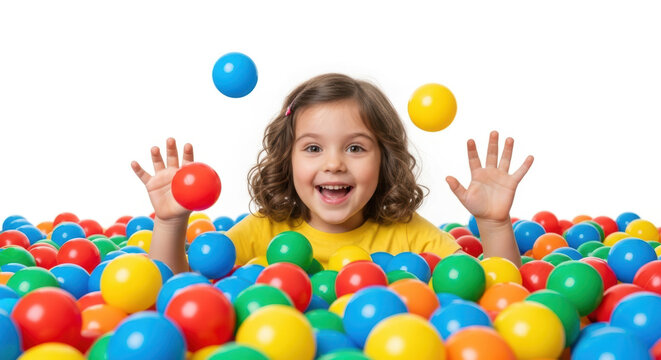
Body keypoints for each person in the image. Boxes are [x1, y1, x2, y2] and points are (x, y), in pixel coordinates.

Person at [131, 73, 534, 274]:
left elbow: (492, 292)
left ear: (385, 160)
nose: (334, 163)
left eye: (355, 148)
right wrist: (170, 223)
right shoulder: (263, 231)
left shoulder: (410, 235)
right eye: (312, 148)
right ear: (287, 160)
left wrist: (493, 224)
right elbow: (177, 291)